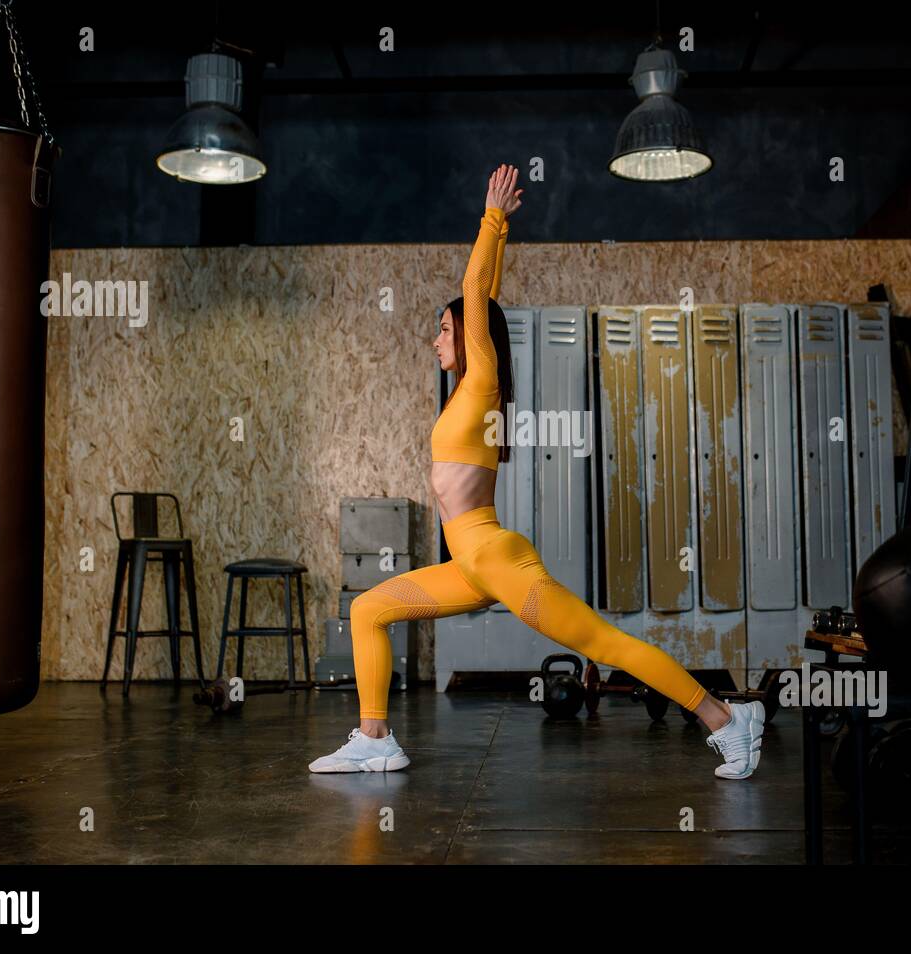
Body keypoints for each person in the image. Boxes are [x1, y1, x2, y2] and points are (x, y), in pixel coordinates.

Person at [309, 164, 764, 779]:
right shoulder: (465, 391)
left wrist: (492, 217)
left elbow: (475, 295)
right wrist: (499, 238)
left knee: (603, 644)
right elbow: (485, 294)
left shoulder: (481, 382)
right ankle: (374, 738)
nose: (436, 340)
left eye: (442, 330)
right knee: (368, 611)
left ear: (469, 338)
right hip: (468, 567)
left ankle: (727, 721)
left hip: (495, 557)